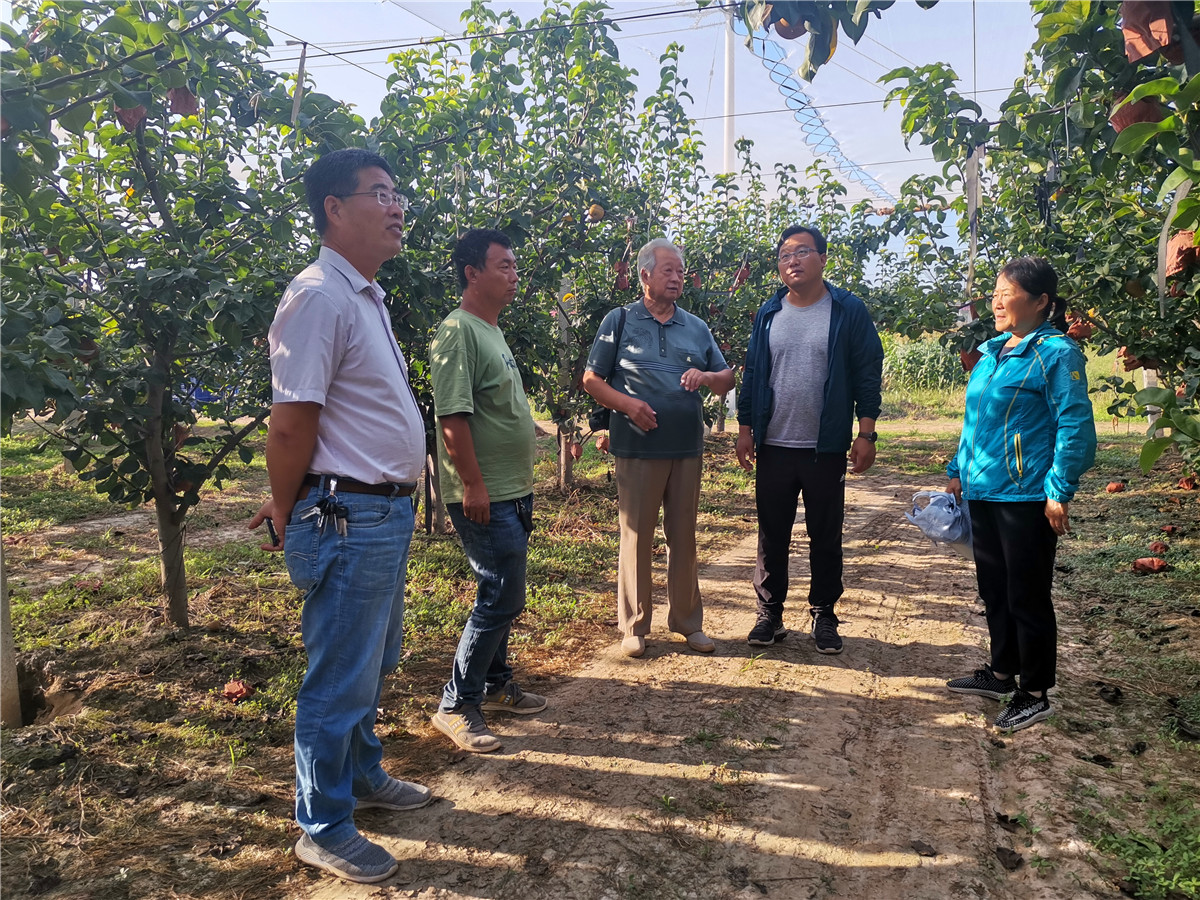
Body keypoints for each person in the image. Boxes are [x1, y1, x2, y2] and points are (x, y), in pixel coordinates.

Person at [249, 148, 431, 884]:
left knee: (371, 662)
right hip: (347, 515)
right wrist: (286, 504)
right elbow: (292, 422)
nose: (396, 207)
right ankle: (321, 824)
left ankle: (361, 774)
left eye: (397, 193)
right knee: (339, 675)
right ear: (334, 207)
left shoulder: (363, 296)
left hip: (379, 513)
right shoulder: (319, 295)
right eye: (379, 193)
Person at [945, 257, 1096, 731]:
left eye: (1006, 293)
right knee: (994, 588)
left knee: (1026, 594)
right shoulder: (993, 352)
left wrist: (1059, 489)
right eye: (995, 292)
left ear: (1041, 301)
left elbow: (1074, 423)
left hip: (1025, 494)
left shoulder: (1056, 354)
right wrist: (958, 469)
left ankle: (1034, 691)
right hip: (984, 490)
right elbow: (977, 420)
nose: (996, 302)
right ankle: (1001, 673)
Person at [583, 238, 735, 658]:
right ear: (645, 275)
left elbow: (725, 378)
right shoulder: (619, 320)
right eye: (668, 270)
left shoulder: (696, 326)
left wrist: (705, 377)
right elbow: (592, 380)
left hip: (686, 446)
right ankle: (634, 625)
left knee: (683, 534)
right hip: (637, 447)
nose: (676, 278)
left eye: (681, 272)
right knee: (636, 534)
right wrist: (628, 406)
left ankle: (688, 622)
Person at [736, 225, 884, 654]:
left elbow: (867, 371)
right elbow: (753, 373)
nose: (792, 261)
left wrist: (866, 432)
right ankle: (770, 613)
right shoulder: (769, 312)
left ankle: (824, 613)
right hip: (774, 444)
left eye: (802, 252)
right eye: (784, 255)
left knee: (825, 534)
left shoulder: (847, 310)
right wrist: (745, 428)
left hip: (825, 447)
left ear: (823, 258)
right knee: (772, 534)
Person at [429, 228, 546, 753]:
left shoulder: (491, 330)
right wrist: (473, 484)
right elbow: (452, 417)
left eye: (515, 265)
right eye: (504, 266)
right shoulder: (458, 332)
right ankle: (457, 704)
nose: (514, 274)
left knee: (501, 593)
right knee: (501, 595)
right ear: (472, 273)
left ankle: (496, 686)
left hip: (511, 489)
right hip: (485, 493)